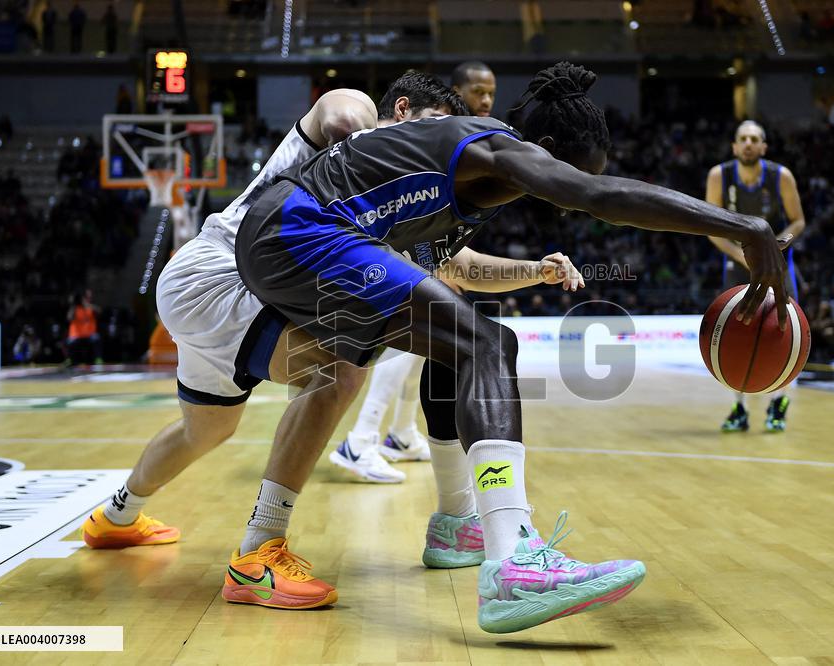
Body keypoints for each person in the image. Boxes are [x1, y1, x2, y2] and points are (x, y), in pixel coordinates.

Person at [228, 62, 789, 632]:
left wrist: (532, 270)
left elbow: (450, 268)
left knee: (465, 340)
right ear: (543, 149)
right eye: (569, 174)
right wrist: (744, 226)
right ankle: (513, 560)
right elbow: (597, 196)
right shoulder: (493, 143)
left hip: (289, 236)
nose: (565, 203)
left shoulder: (458, 181)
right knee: (487, 345)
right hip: (296, 230)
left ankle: (458, 523)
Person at [80, 72, 583, 608]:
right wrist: (371, 141)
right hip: (223, 277)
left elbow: (458, 266)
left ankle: (115, 515)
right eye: (434, 129)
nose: (442, 152)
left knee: (203, 432)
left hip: (214, 298)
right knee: (343, 363)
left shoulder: (401, 204)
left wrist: (537, 270)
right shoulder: (360, 122)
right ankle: (257, 555)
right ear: (403, 109)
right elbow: (338, 112)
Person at [331, 62, 499, 484]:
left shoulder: (472, 142)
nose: (486, 101)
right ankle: (361, 439)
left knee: (425, 343)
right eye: (477, 91)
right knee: (416, 333)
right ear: (456, 94)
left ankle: (400, 433)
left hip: (416, 245)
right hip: (370, 248)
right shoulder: (433, 141)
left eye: (491, 93)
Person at [705, 120, 806, 432]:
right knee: (735, 334)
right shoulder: (719, 175)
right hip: (738, 263)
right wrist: (743, 257)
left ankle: (779, 401)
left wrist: (775, 249)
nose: (748, 143)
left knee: (783, 331)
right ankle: (739, 408)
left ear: (763, 147)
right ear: (735, 147)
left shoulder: (782, 177)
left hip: (776, 265)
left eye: (754, 139)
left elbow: (798, 221)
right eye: (743, 139)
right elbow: (711, 226)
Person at [66, 290, 102, 365]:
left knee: (97, 338)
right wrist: (73, 305)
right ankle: (69, 359)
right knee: (70, 341)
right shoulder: (75, 308)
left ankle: (98, 359)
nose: (88, 299)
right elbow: (69, 318)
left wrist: (88, 306)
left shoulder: (91, 307)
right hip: (77, 335)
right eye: (86, 298)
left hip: (89, 334)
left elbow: (99, 311)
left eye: (89, 297)